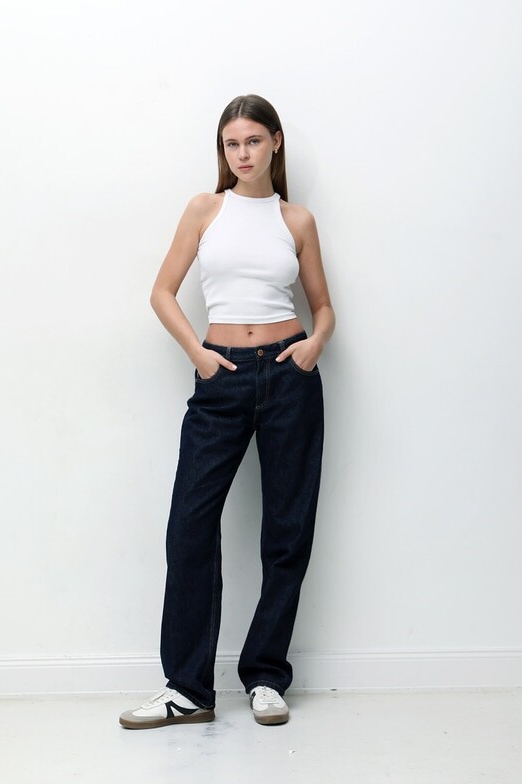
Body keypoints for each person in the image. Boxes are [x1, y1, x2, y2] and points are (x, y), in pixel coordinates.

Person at [119, 94, 335, 730]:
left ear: (275, 143)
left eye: (253, 141)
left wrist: (315, 344)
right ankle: (187, 689)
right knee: (190, 524)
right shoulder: (204, 209)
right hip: (222, 378)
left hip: (290, 377)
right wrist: (198, 353)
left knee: (287, 530)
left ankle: (265, 676)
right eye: (231, 144)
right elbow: (162, 292)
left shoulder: (296, 220)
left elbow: (323, 306)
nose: (242, 154)